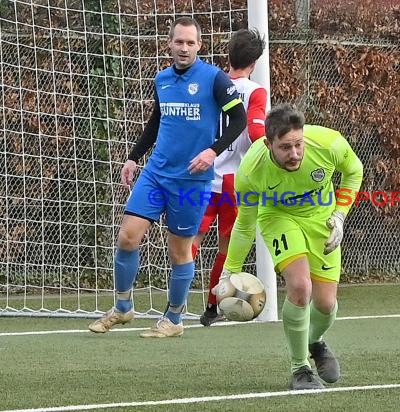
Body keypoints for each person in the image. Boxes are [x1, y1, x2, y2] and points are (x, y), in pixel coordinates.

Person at [88, 17, 247, 338]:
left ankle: (174, 319)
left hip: (192, 180)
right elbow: (156, 122)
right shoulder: (161, 79)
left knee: (179, 252)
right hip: (156, 173)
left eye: (190, 43)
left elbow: (239, 120)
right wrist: (134, 157)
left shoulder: (215, 79)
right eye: (179, 42)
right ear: (169, 44)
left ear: (199, 46)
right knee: (127, 237)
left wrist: (212, 152)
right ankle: (122, 307)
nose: (184, 48)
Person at [216, 103, 363, 389]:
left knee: (326, 304)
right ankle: (301, 370)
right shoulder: (250, 172)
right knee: (300, 287)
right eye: (285, 147)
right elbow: (245, 224)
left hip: (322, 219)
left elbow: (353, 171)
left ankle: (314, 342)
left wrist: (340, 214)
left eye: (298, 144)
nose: (294, 153)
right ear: (268, 143)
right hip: (278, 218)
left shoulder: (328, 143)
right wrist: (230, 272)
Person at [191, 28, 268, 327]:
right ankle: (212, 307)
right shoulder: (255, 92)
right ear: (255, 62)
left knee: (191, 241)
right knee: (227, 248)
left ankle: (175, 304)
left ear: (229, 56)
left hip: (204, 175)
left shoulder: (212, 84)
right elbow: (255, 131)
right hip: (236, 182)